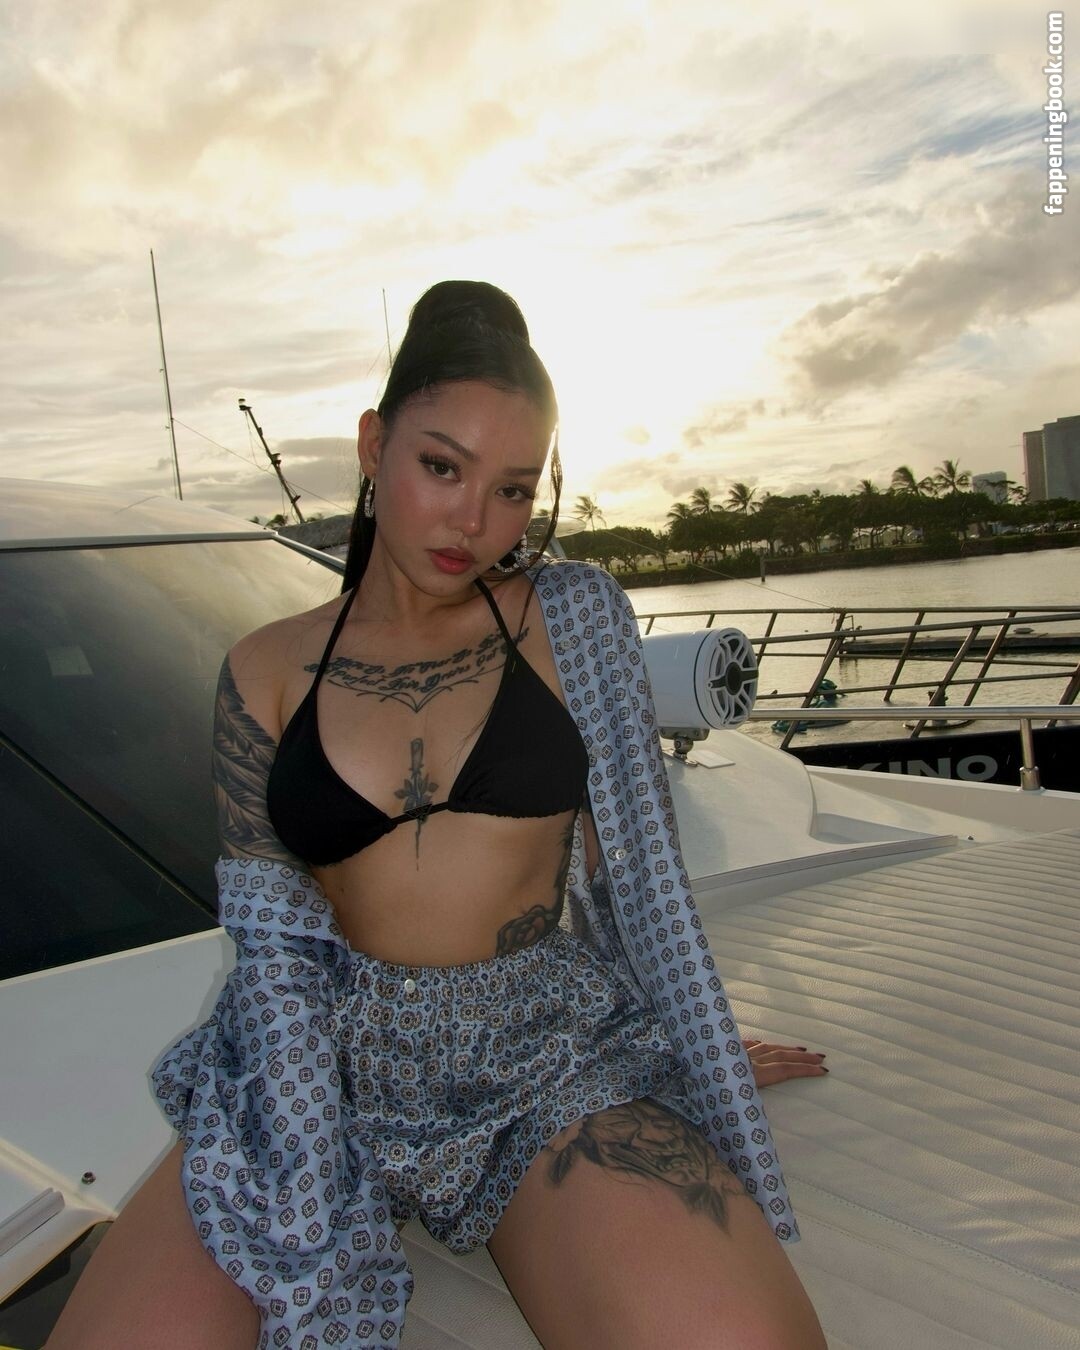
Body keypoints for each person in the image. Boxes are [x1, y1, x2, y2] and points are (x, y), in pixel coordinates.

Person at [48, 281, 826, 1350]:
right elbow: (274, 947)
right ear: (375, 445)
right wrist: (307, 1167)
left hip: (540, 1056)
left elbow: (638, 875)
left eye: (513, 489)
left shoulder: (573, 617)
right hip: (314, 1054)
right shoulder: (265, 667)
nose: (475, 521)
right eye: (443, 467)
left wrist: (690, 1037)